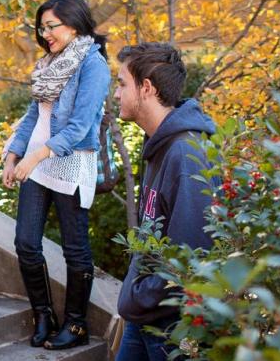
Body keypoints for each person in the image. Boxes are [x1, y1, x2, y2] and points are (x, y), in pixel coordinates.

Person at [2, 0, 111, 350]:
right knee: (26, 242)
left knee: (75, 248)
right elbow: (35, 116)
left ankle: (76, 325)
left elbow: (81, 127)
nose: (45, 33)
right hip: (37, 160)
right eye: (42, 27)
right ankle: (43, 314)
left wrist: (36, 157)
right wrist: (14, 154)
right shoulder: (49, 62)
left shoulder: (93, 65)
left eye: (52, 26)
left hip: (68, 162)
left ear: (75, 23)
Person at [112, 43, 219, 361]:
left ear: (146, 88)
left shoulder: (184, 155)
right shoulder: (159, 145)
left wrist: (140, 296)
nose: (116, 94)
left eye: (121, 84)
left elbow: (192, 255)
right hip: (144, 317)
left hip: (172, 327)